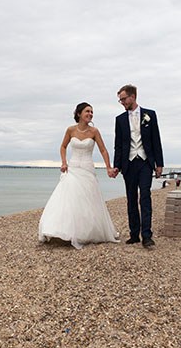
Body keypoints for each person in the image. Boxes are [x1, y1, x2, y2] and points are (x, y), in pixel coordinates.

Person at [38, 102, 120, 249]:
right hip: (73, 168)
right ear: (79, 114)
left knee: (88, 201)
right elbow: (63, 146)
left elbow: (103, 150)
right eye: (87, 111)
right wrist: (64, 162)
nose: (90, 114)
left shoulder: (94, 131)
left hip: (87, 168)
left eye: (92, 112)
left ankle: (86, 233)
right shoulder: (70, 130)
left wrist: (108, 167)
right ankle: (64, 231)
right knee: (69, 200)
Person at [112, 84, 164, 248]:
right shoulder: (119, 120)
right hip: (128, 163)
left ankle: (147, 236)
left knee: (145, 197)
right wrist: (117, 166)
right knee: (131, 199)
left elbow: (156, 140)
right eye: (120, 100)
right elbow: (118, 145)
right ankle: (134, 234)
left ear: (133, 97)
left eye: (123, 99)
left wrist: (159, 163)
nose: (122, 102)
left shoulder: (150, 115)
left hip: (145, 162)